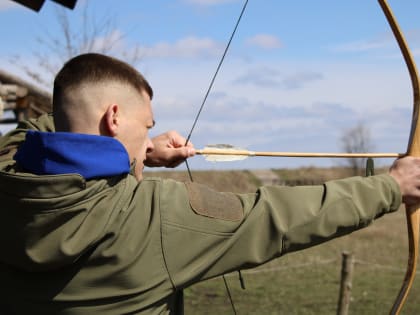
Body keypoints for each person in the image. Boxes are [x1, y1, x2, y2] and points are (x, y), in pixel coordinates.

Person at [0, 53, 420, 315]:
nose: (150, 137)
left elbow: (40, 132)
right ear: (114, 118)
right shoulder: (153, 218)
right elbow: (277, 217)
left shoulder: (8, 175)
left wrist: (132, 150)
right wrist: (391, 186)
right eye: (147, 125)